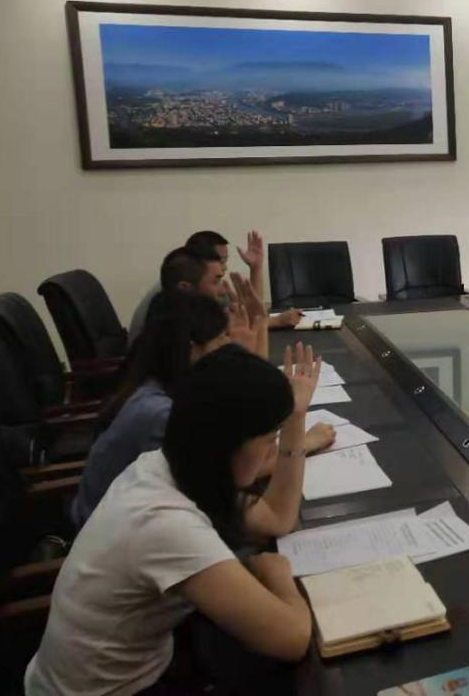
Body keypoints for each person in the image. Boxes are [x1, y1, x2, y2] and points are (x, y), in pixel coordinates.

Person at [26, 343, 321, 696]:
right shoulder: (165, 524)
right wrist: (278, 574)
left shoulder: (167, 465)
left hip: (131, 668)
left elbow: (276, 518)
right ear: (229, 443)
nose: (272, 450)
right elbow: (292, 638)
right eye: (270, 439)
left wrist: (296, 419)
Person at [71, 287, 335, 528]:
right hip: (111, 530)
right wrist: (304, 442)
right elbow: (250, 480)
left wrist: (246, 360)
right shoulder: (165, 414)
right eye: (222, 339)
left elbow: (252, 423)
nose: (228, 345)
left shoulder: (160, 386)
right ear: (191, 349)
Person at [128, 230, 301, 343]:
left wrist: (256, 268)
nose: (224, 267)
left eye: (224, 260)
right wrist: (274, 321)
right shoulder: (170, 308)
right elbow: (236, 330)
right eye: (220, 260)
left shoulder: (195, 290)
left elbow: (245, 318)